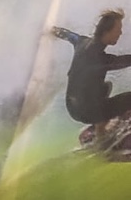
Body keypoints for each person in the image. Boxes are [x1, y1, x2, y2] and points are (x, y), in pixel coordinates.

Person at [53, 9, 131, 138]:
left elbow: (70, 36)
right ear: (107, 31)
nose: (121, 33)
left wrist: (54, 30)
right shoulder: (99, 59)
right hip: (87, 111)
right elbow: (123, 61)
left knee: (105, 86)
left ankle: (100, 125)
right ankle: (101, 139)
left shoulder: (82, 42)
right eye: (118, 29)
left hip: (72, 107)